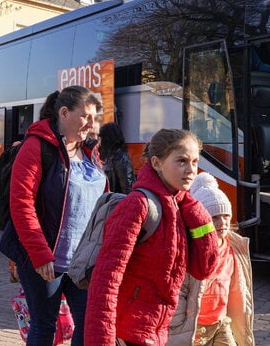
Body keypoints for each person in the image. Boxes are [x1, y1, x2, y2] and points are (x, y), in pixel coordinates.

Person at [84, 129, 218, 346]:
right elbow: (105, 281)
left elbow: (204, 268)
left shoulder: (181, 207)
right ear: (156, 163)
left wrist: (196, 212)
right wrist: (101, 341)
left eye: (195, 162)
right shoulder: (137, 205)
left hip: (157, 332)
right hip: (126, 333)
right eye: (182, 161)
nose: (191, 170)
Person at [0, 85, 106, 346]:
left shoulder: (91, 151)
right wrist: (39, 253)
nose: (91, 124)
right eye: (85, 116)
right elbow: (21, 203)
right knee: (45, 325)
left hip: (83, 259)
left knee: (88, 323)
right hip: (45, 258)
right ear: (64, 113)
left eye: (95, 118)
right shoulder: (37, 146)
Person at [168, 172, 254, 346]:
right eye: (214, 217)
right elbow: (179, 292)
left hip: (222, 322)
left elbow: (241, 288)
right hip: (195, 326)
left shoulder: (236, 246)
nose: (222, 222)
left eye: (226, 216)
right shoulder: (190, 249)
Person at [98, 122, 135, 194]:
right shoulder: (108, 156)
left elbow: (127, 189)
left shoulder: (122, 159)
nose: (100, 141)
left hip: (115, 201)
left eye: (102, 137)